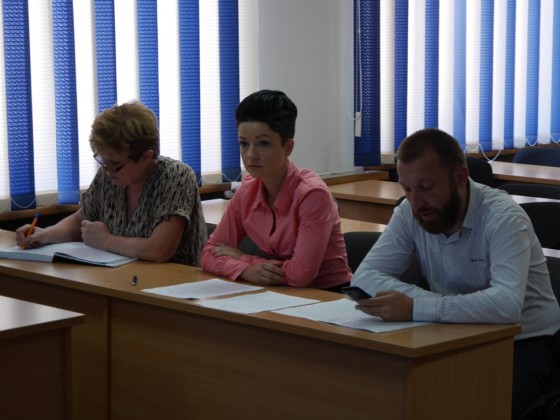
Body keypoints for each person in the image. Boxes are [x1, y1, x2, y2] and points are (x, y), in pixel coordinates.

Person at [350, 127, 560, 418]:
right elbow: (364, 277)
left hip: (524, 342)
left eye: (426, 187)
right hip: (451, 332)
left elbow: (505, 305)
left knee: (464, 407)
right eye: (406, 189)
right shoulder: (410, 212)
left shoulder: (503, 218)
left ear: (460, 177)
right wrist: (420, 306)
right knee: (388, 392)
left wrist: (414, 307)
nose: (415, 201)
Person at [16, 100, 207, 266]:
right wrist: (45, 235)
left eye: (115, 164)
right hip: (121, 278)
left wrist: (105, 240)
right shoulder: (108, 175)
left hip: (173, 284)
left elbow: (159, 250)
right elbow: (82, 219)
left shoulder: (176, 177)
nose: (106, 169)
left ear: (146, 157)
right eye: (103, 161)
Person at [201, 89, 351, 291]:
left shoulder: (312, 195)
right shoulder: (247, 190)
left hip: (328, 295)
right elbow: (208, 253)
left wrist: (244, 259)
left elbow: (301, 275)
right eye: (244, 144)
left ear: (287, 147)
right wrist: (245, 270)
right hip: (277, 290)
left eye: (263, 144)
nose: (251, 155)